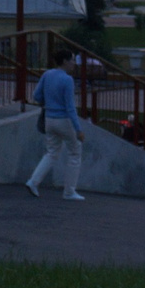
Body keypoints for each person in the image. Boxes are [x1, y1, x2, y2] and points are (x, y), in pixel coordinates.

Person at [27, 46, 88, 200]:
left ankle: (33, 181)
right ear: (65, 61)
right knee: (75, 152)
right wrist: (78, 129)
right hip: (64, 121)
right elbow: (70, 107)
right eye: (72, 60)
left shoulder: (47, 74)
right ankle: (69, 191)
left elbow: (36, 95)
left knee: (52, 152)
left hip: (49, 120)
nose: (74, 63)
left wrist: (47, 103)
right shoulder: (67, 79)